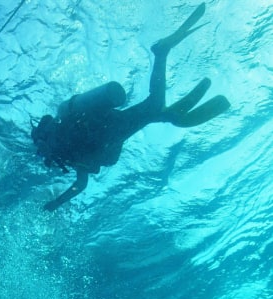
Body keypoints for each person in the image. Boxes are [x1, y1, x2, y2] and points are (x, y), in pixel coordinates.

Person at [32, 3, 230, 210]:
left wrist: (56, 203)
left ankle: (161, 53)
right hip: (107, 124)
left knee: (153, 107)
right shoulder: (65, 138)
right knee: (153, 111)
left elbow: (80, 185)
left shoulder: (70, 152)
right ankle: (169, 115)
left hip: (107, 130)